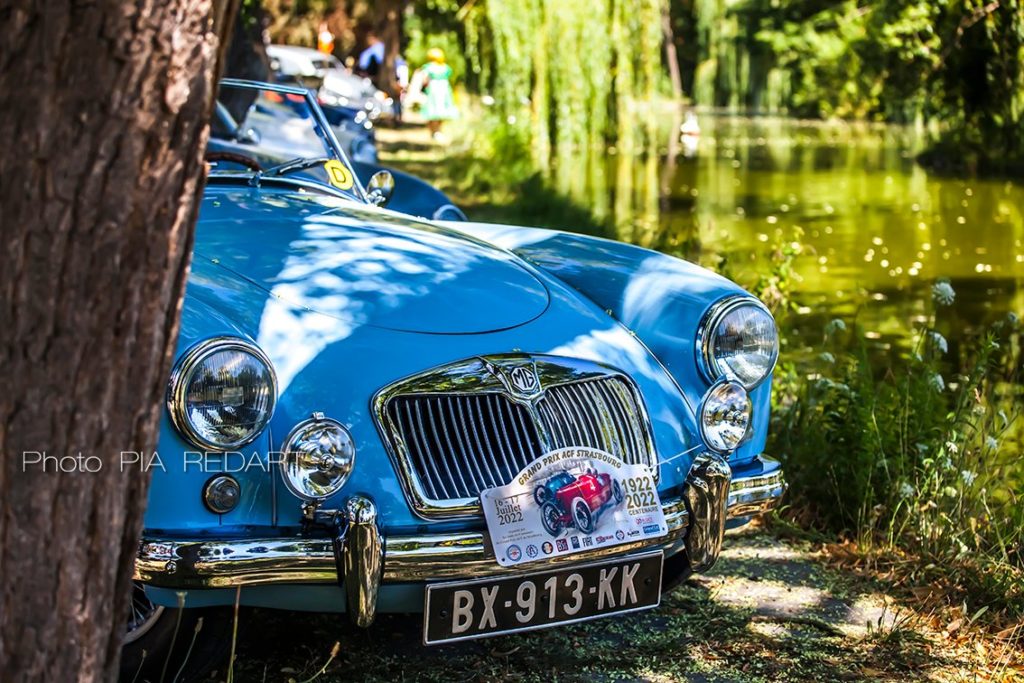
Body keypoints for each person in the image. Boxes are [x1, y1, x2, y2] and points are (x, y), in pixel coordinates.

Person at [415, 47, 458, 141]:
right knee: (441, 112)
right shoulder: (445, 67)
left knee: (432, 111)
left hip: (433, 91)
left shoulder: (428, 67)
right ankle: (438, 131)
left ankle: (433, 131)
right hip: (444, 90)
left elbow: (424, 80)